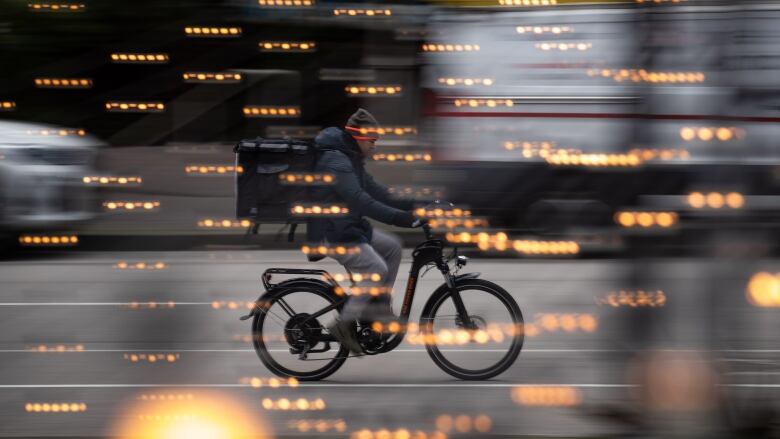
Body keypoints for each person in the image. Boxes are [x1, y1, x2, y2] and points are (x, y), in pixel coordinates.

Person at [307, 108, 419, 354]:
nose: (375, 147)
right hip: (332, 233)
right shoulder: (337, 161)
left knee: (391, 248)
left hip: (347, 228)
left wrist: (417, 205)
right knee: (376, 269)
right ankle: (343, 325)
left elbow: (379, 192)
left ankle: (377, 312)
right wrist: (403, 218)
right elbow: (360, 200)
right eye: (372, 141)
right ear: (359, 137)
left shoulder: (350, 158)